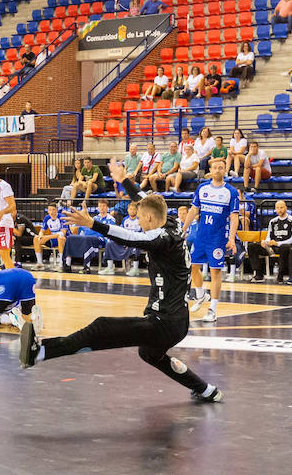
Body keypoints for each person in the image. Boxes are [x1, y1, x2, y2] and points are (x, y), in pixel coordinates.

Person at [17, 163, 223, 404]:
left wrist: (93, 224)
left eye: (142, 219)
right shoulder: (171, 224)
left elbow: (131, 236)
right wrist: (125, 181)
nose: (141, 224)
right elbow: (147, 200)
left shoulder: (161, 237)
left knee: (103, 326)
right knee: (150, 354)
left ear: (147, 218)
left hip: (165, 323)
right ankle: (206, 390)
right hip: (173, 321)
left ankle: (40, 352)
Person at [181, 157, 239, 324]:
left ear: (224, 170)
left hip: (217, 238)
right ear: (211, 170)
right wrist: (183, 229)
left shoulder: (231, 192)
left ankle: (212, 309)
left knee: (215, 272)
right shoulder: (202, 188)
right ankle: (201, 295)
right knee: (192, 267)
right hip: (201, 235)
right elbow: (193, 210)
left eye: (221, 168)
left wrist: (231, 239)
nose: (218, 170)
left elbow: (234, 218)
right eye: (215, 168)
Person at [248, 200, 292, 283]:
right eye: (277, 208)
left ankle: (280, 276)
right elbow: (269, 236)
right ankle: (259, 274)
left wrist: (278, 243)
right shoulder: (273, 221)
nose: (279, 209)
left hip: (287, 246)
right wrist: (266, 242)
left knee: (284, 247)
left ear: (286, 208)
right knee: (252, 246)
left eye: (281, 207)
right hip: (273, 247)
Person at [0, 266, 39, 331]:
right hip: (28, 277)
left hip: (5, 279)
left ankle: (11, 319)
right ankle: (33, 319)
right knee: (26, 319)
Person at [31, 204, 67, 269]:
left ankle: (61, 264)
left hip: (65, 240)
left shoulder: (62, 217)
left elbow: (63, 233)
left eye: (53, 210)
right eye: (50, 210)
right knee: (36, 238)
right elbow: (42, 230)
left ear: (57, 210)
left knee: (60, 238)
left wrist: (47, 237)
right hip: (53, 239)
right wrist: (40, 236)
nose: (51, 212)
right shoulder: (47, 218)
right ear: (47, 211)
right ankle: (40, 263)